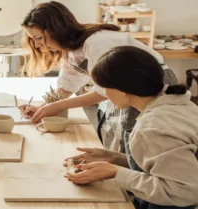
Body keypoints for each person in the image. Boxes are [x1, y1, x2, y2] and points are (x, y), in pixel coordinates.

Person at [18, 1, 178, 152]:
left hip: (150, 85)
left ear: (56, 29)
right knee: (122, 141)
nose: (37, 45)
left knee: (139, 142)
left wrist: (58, 106)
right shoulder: (70, 50)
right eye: (33, 40)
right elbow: (67, 85)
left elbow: (103, 91)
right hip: (125, 91)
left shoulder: (96, 42)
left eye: (38, 38)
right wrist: (43, 107)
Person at [64, 46, 198, 209]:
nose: (104, 94)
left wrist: (115, 172)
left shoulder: (151, 127)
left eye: (104, 87)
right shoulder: (178, 104)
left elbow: (184, 191)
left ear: (123, 89)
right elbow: (170, 164)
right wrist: (114, 158)